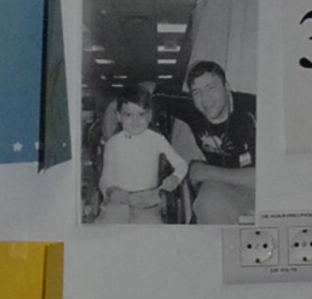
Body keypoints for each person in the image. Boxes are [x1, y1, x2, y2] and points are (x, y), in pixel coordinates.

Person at [168, 60, 256, 225]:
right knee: (208, 202)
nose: (205, 100)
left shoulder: (254, 110)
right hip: (224, 191)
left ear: (226, 87)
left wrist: (209, 172)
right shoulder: (191, 108)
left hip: (264, 192)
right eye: (196, 92)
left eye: (211, 88)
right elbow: (148, 91)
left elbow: (269, 176)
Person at [97, 85, 187, 225]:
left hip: (148, 202)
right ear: (119, 116)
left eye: (141, 114)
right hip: (119, 200)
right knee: (107, 231)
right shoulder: (113, 143)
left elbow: (181, 164)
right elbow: (105, 178)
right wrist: (109, 191)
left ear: (150, 116)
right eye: (128, 115)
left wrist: (175, 178)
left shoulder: (157, 139)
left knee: (149, 234)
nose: (135, 121)